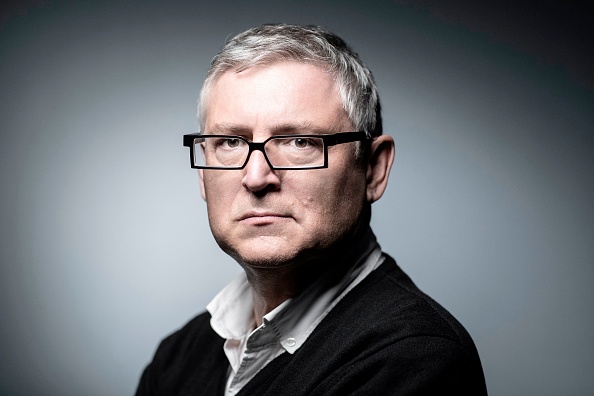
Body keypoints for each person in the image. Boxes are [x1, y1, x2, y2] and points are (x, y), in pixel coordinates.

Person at [136, 23, 487, 395]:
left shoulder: (415, 359)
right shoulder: (177, 357)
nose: (256, 177)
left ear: (373, 169)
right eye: (230, 142)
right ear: (203, 174)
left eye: (300, 141)